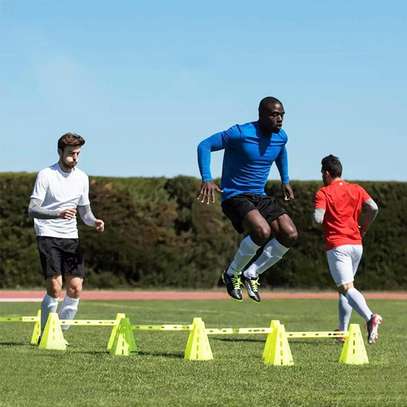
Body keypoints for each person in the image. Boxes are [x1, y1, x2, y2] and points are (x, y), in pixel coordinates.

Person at [197, 97, 298, 302]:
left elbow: (280, 152)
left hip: (259, 195)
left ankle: (252, 273)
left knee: (290, 233)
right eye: (274, 115)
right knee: (262, 231)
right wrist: (207, 178)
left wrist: (285, 179)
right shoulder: (240, 133)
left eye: (282, 115)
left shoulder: (281, 137)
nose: (279, 119)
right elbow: (204, 145)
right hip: (235, 195)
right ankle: (232, 273)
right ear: (261, 115)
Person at [28, 133, 104, 339]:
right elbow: (32, 209)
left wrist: (94, 221)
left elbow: (85, 213)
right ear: (60, 152)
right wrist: (57, 214)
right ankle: (46, 334)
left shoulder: (82, 177)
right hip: (47, 234)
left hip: (71, 238)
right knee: (55, 286)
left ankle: (60, 334)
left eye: (78, 154)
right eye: (71, 154)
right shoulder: (46, 175)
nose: (75, 158)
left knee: (75, 288)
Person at [313, 154, 382, 344]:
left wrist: (321, 217)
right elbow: (373, 208)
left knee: (346, 287)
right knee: (346, 288)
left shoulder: (323, 192)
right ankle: (342, 332)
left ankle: (370, 318)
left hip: (338, 245)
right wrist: (363, 227)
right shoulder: (356, 189)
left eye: (322, 172)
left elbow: (318, 218)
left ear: (327, 173)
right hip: (356, 244)